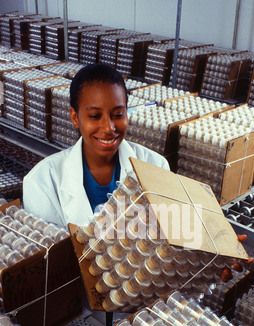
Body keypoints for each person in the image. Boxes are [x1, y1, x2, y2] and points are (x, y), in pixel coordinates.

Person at [23, 63, 169, 230]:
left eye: (118, 115)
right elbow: (50, 250)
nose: (109, 128)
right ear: (75, 117)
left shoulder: (156, 167)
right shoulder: (42, 182)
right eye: (94, 116)